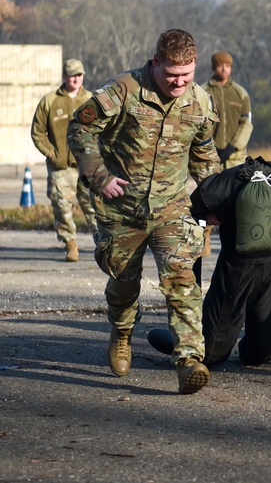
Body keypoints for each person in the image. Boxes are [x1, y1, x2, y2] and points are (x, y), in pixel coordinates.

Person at [67, 29, 220, 394]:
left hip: (172, 207)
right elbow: (80, 128)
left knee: (182, 279)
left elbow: (204, 155)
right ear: (155, 63)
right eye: (171, 75)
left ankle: (188, 360)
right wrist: (99, 176)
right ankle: (121, 332)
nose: (179, 82)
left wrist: (216, 203)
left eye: (187, 74)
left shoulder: (200, 102)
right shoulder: (123, 90)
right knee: (123, 282)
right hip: (122, 209)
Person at [147, 148, 271, 366]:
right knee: (214, 356)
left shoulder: (222, 185)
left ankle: (201, 341)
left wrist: (206, 220)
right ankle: (184, 343)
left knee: (257, 354)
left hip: (247, 273)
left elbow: (187, 216)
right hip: (252, 273)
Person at [30, 58, 96, 262]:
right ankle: (71, 244)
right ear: (64, 76)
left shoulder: (92, 100)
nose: (76, 79)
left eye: (79, 75)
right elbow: (38, 132)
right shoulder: (50, 101)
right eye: (71, 75)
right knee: (62, 206)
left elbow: (106, 130)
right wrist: (51, 153)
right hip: (61, 167)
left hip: (88, 164)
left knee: (94, 206)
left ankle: (103, 244)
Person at [202, 51, 253, 170]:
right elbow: (200, 124)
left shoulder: (241, 93)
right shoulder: (203, 92)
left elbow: (246, 123)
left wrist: (233, 147)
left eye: (228, 65)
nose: (224, 69)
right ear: (214, 67)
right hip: (210, 157)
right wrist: (212, 147)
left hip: (236, 158)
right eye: (220, 65)